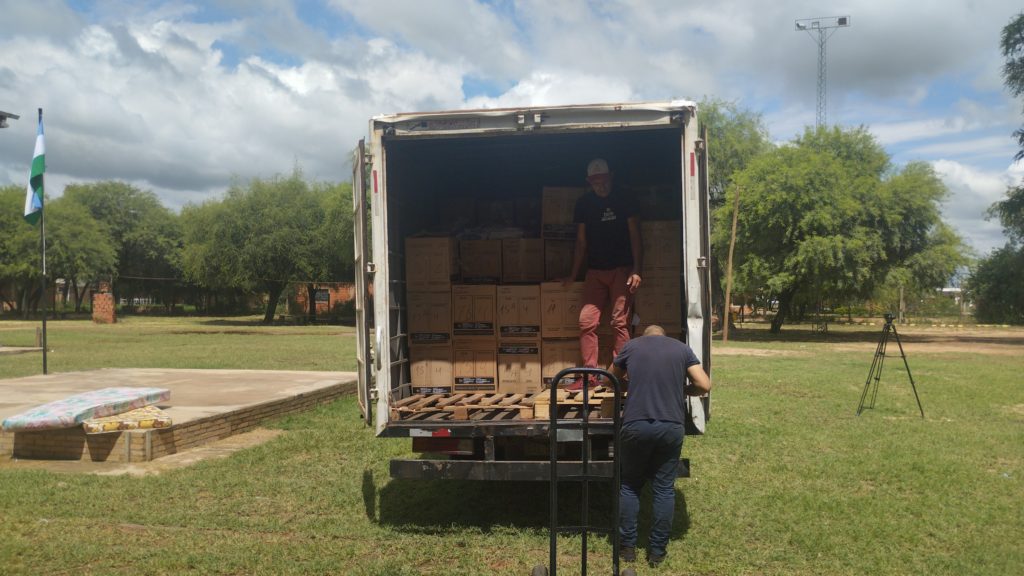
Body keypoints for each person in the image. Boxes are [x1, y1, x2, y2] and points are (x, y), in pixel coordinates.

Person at [610, 324, 712, 567]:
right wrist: (685, 389)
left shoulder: (631, 347)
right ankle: (657, 553)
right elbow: (704, 385)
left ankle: (627, 548)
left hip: (636, 425)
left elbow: (610, 378)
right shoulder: (682, 349)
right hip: (670, 427)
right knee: (664, 489)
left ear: (644, 336)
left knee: (630, 486)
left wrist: (628, 385)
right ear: (664, 336)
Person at [564, 158, 642, 389]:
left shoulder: (625, 198)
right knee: (586, 322)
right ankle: (590, 376)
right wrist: (572, 274)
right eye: (596, 182)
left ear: (612, 176)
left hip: (621, 270)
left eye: (604, 181)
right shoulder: (584, 204)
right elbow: (580, 242)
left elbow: (635, 235)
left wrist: (637, 269)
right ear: (589, 182)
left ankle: (620, 375)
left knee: (619, 322)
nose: (601, 186)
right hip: (595, 271)